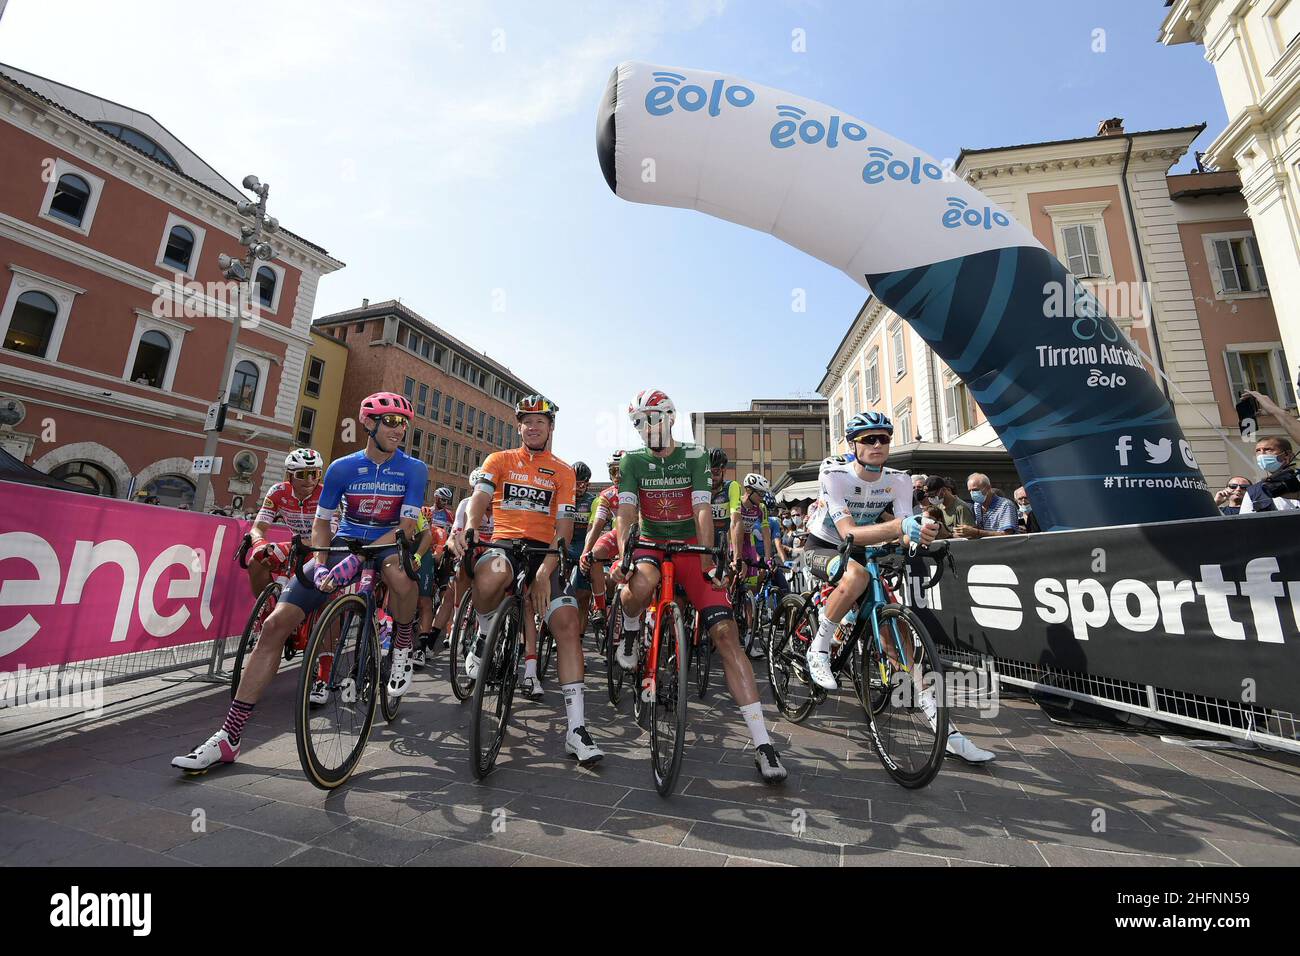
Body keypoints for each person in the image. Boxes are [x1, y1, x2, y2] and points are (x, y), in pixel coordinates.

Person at [172, 392, 427, 772]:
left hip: (388, 542)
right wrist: (322, 562)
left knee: (401, 578)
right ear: (369, 424)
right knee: (275, 624)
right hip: (343, 541)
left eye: (404, 423)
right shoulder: (342, 468)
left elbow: (407, 526)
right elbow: (323, 522)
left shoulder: (413, 469)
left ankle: (403, 642)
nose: (399, 429)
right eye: (390, 421)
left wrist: (359, 557)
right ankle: (229, 736)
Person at [612, 388, 788, 782]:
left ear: (670, 419)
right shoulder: (632, 461)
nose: (647, 428)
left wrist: (708, 556)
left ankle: (763, 743)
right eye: (639, 422)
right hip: (651, 545)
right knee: (642, 582)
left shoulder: (695, 456)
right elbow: (626, 510)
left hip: (692, 547)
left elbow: (702, 506)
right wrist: (624, 552)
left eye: (654, 418)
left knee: (727, 636)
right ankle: (629, 631)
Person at [802, 412, 994, 763]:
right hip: (824, 544)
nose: (878, 445)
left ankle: (943, 727)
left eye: (884, 439)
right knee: (857, 576)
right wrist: (902, 528)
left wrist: (922, 534)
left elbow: (905, 529)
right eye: (868, 439)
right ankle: (819, 647)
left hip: (866, 546)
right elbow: (848, 533)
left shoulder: (899, 480)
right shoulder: (834, 473)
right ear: (853, 445)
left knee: (898, 634)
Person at [452, 394, 603, 764]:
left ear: (551, 427)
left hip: (545, 551)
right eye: (526, 421)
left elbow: (565, 525)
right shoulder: (499, 460)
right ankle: (484, 635)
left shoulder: (563, 471)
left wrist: (545, 571)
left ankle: (577, 729)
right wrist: (472, 525)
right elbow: (480, 497)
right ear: (519, 426)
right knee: (491, 575)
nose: (533, 427)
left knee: (567, 624)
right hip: (504, 543)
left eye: (540, 421)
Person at [246, 448, 325, 598]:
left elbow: (331, 533)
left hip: (324, 548)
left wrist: (297, 545)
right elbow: (258, 527)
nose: (310, 480)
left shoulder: (325, 494)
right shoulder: (278, 492)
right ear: (289, 476)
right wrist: (259, 543)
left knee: (325, 601)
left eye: (314, 474)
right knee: (256, 562)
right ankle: (266, 609)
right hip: (297, 547)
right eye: (302, 475)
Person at [1240, 435, 1300, 513]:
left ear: (1288, 455)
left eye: (1268, 449)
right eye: (1258, 451)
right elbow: (1245, 522)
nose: (1262, 454)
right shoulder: (1253, 492)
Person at [956, 473, 1017, 538]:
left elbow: (1007, 535)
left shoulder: (1005, 505)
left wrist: (976, 532)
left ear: (988, 488)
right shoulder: (977, 505)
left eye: (975, 490)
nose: (972, 493)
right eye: (970, 491)